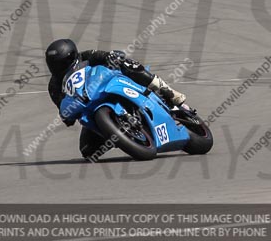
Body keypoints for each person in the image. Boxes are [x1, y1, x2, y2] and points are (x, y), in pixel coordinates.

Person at [45, 38, 194, 159]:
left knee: (127, 64)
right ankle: (121, 134)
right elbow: (63, 110)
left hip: (109, 85)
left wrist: (111, 57)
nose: (57, 67)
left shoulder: (87, 56)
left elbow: (103, 56)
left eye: (61, 63)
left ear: (72, 57)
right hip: (90, 108)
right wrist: (67, 115)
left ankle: (169, 93)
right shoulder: (54, 87)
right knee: (87, 152)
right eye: (53, 65)